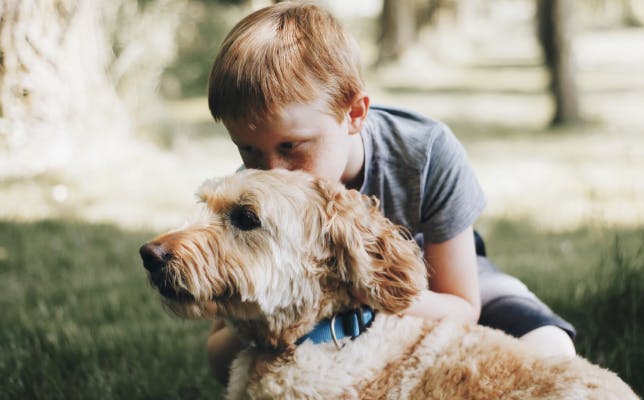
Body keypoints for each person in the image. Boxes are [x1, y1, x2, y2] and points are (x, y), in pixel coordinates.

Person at [205, 2, 576, 385]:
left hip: (435, 279)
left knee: (551, 346)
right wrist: (263, 314)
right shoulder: (252, 202)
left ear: (354, 114)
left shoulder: (425, 153)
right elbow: (219, 357)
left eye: (291, 147)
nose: (271, 172)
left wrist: (361, 292)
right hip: (314, 313)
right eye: (248, 150)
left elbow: (463, 306)